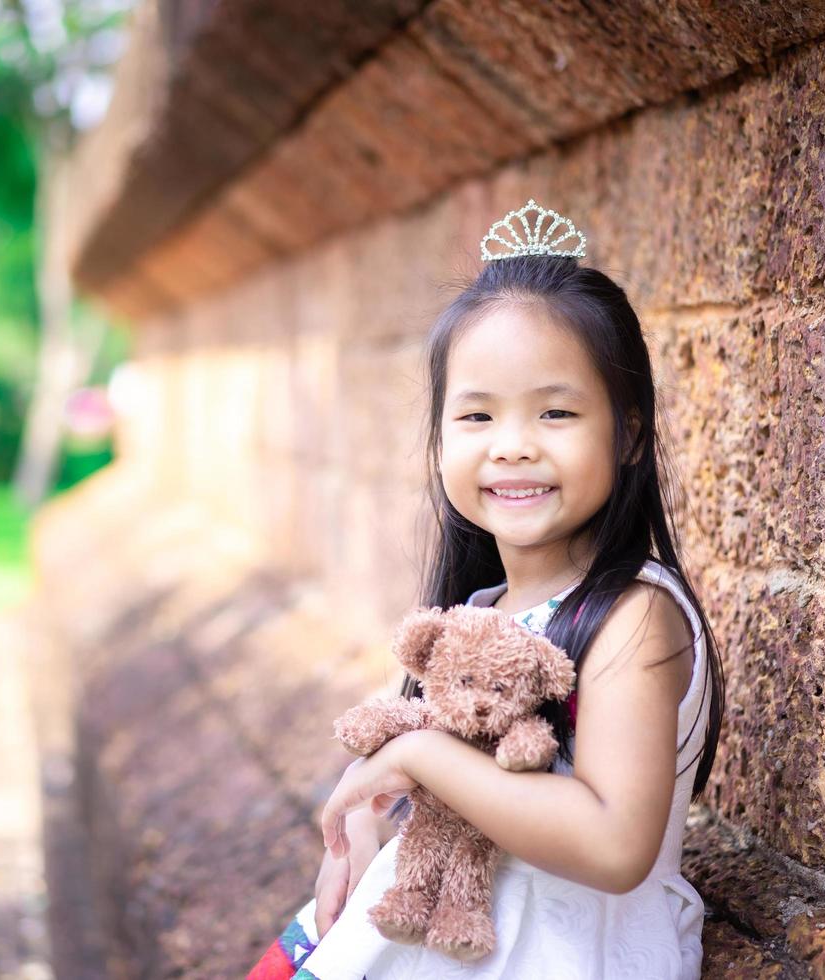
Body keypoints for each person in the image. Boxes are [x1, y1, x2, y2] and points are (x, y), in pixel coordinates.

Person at [246, 200, 726, 980]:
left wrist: (421, 754)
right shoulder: (478, 615)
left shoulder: (634, 617)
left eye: (557, 411)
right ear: (440, 438)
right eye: (476, 415)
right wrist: (365, 829)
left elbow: (612, 846)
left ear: (629, 432)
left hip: (562, 951)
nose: (512, 445)